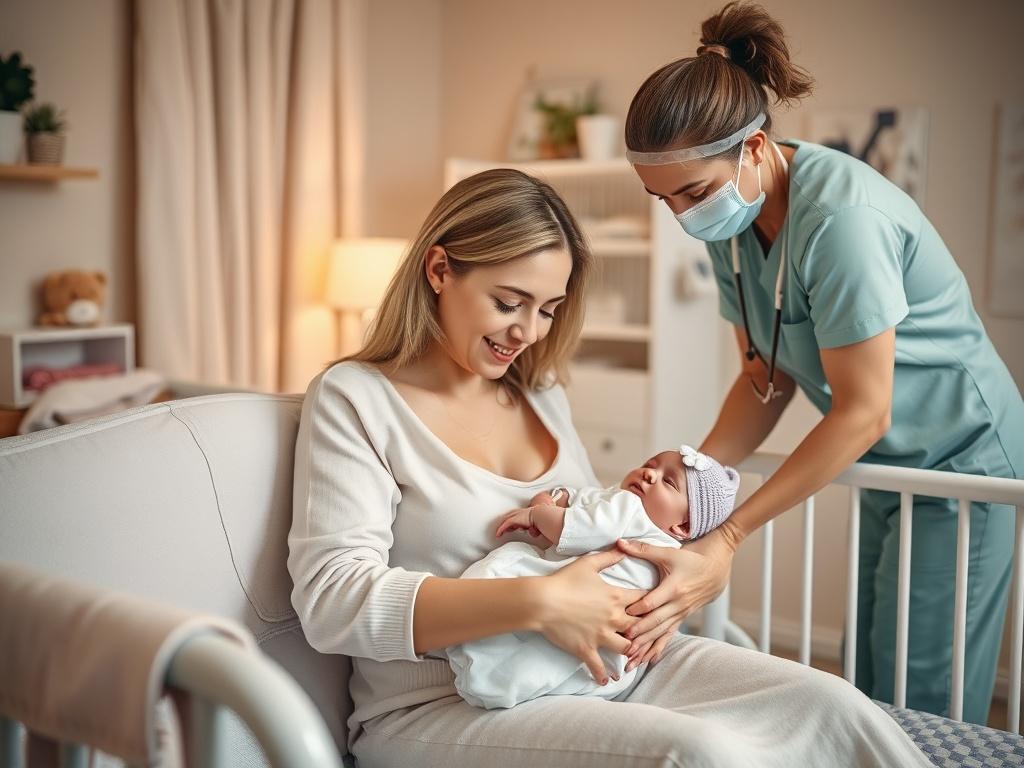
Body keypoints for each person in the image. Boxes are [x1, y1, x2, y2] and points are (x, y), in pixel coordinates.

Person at [288, 167, 932, 766]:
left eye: (547, 309)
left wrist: (663, 584)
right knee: (697, 753)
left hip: (602, 669)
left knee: (833, 707)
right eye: (509, 302)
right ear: (438, 270)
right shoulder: (357, 398)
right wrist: (538, 602)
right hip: (437, 705)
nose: (528, 333)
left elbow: (600, 527)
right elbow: (330, 599)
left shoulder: (539, 393)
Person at [621, 0, 1024, 724]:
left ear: (753, 147)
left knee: (921, 685)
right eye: (663, 199)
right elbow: (764, 377)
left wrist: (730, 535)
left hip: (963, 460)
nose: (682, 215)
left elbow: (863, 411)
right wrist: (692, 479)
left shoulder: (842, 221)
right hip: (882, 461)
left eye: (692, 193)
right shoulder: (731, 219)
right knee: (868, 670)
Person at [447, 445, 740, 709]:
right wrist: (556, 497)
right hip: (618, 650)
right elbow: (579, 498)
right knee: (550, 666)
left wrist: (538, 514)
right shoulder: (627, 509)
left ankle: (483, 671)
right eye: (651, 464)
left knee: (506, 563)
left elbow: (575, 528)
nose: (650, 474)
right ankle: (502, 685)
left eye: (668, 481)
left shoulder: (630, 508)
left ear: (682, 526)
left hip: (585, 610)